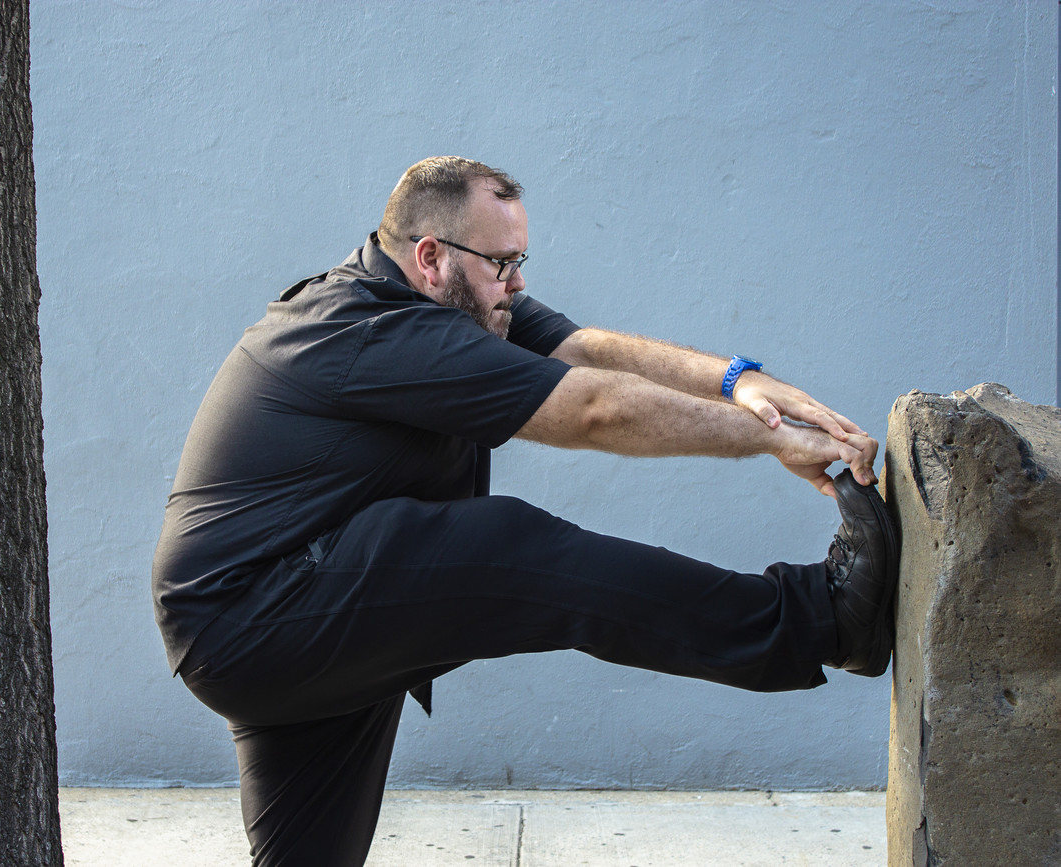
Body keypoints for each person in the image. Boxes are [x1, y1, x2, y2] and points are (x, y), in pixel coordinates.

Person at [152, 156, 899, 866]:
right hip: (256, 607)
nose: (514, 283)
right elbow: (596, 409)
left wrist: (741, 382)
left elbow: (585, 350)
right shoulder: (373, 327)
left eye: (521, 262)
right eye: (500, 264)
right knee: (514, 550)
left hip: (280, 620)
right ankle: (821, 620)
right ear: (431, 256)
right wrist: (774, 441)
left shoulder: (458, 300)